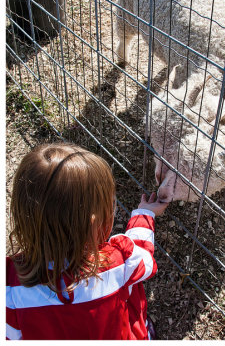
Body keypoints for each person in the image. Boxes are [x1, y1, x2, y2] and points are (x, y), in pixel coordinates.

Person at [6, 142, 168, 340]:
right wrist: (145, 213)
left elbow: (12, 336)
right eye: (110, 206)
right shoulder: (116, 264)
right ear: (92, 223)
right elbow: (143, 254)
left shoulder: (10, 285)